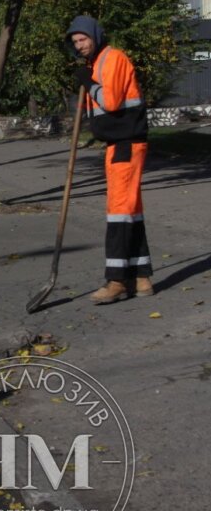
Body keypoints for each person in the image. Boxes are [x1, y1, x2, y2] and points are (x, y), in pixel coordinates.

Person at [66, 15, 153, 304]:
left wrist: (88, 83)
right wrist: (88, 79)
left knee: (118, 212)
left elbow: (112, 101)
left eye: (83, 39)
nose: (79, 45)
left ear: (95, 35)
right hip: (119, 145)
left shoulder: (111, 59)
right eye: (75, 42)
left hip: (126, 144)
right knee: (130, 211)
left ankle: (116, 281)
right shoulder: (97, 63)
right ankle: (141, 278)